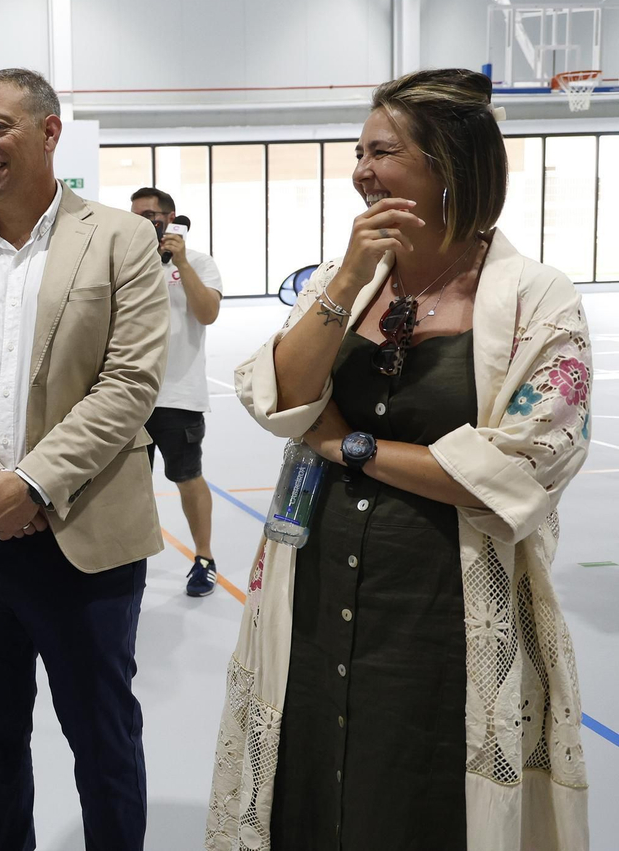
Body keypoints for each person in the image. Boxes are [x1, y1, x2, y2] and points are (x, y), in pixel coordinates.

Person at [209, 69, 591, 851]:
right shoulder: (349, 279)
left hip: (440, 606)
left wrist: (351, 445)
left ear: (447, 164)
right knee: (309, 776)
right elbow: (279, 391)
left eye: (382, 151)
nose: (361, 170)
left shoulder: (537, 299)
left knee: (419, 792)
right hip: (312, 586)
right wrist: (348, 279)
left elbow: (520, 471)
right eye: (358, 151)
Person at [0, 68, 168, 851]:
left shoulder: (119, 238)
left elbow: (131, 381)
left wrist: (34, 483)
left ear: (50, 133)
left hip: (83, 542)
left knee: (104, 741)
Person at [126, 188, 224, 597]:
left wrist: (180, 261)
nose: (146, 222)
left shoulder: (199, 263)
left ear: (172, 218)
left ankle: (204, 558)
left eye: (152, 214)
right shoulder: (130, 262)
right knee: (128, 487)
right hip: (130, 395)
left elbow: (208, 313)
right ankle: (129, 565)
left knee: (187, 477)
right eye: (137, 216)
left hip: (178, 395)